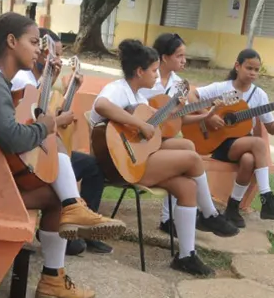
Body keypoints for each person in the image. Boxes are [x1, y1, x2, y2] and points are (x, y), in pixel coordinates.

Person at [0, 13, 126, 298]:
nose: (38, 50)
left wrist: (45, 123)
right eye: (33, 42)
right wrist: (45, 125)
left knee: (54, 192)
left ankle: (53, 278)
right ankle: (73, 208)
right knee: (51, 147)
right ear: (11, 41)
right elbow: (11, 137)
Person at [91, 38, 234, 276]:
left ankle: (186, 255)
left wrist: (174, 108)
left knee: (187, 186)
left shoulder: (140, 97)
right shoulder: (118, 89)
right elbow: (102, 106)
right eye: (154, 71)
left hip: (138, 158)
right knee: (192, 158)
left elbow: (155, 122)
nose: (157, 77)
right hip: (120, 164)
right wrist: (139, 123)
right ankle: (209, 214)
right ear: (139, 71)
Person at [10, 28, 112, 255]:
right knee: (69, 166)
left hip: (37, 148)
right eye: (52, 53)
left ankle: (83, 221)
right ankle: (76, 219)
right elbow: (30, 121)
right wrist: (59, 119)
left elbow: (41, 113)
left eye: (59, 54)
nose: (57, 59)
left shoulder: (35, 78)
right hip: (27, 155)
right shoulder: (22, 79)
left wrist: (68, 89)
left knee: (92, 166)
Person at [190, 49, 274, 227]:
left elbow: (272, 129)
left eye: (256, 70)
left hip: (241, 145)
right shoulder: (222, 88)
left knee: (248, 160)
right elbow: (192, 95)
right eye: (249, 68)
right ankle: (267, 198)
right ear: (237, 66)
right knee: (257, 142)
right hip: (218, 144)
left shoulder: (259, 95)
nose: (253, 73)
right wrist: (207, 116)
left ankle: (232, 207)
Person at [138, 33, 222, 236]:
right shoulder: (148, 79)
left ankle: (170, 218)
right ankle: (206, 213)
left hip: (163, 138)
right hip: (141, 139)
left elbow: (178, 120)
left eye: (184, 56)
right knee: (186, 154)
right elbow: (138, 110)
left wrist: (207, 114)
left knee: (187, 148)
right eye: (179, 56)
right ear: (164, 57)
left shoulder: (179, 86)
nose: (184, 61)